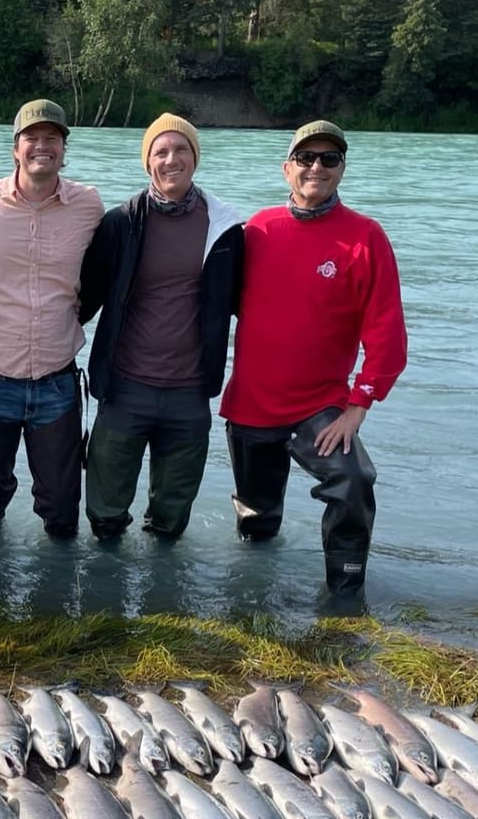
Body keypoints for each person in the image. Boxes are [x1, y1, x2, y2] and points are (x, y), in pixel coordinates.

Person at [220, 120, 408, 599]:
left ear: (342, 169)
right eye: (306, 158)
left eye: (329, 159)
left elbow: (386, 335)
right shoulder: (255, 230)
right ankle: (250, 603)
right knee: (256, 528)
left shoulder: (366, 237)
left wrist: (358, 406)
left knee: (354, 479)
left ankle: (345, 594)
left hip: (320, 408)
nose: (316, 168)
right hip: (251, 407)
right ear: (287, 169)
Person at [78, 113, 244, 540]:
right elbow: (82, 299)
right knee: (104, 517)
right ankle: (104, 595)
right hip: (124, 390)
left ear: (195, 157)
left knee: (171, 523)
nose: (172, 159)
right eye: (161, 151)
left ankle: (164, 598)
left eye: (181, 149)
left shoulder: (225, 229)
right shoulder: (120, 223)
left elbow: (250, 305)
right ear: (147, 161)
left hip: (189, 396)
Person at [0, 99, 103, 538]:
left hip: (57, 379)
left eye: (52, 138)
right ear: (15, 148)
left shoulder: (89, 204)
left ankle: (56, 600)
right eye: (32, 138)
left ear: (63, 147)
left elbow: (101, 271)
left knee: (61, 510)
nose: (43, 146)